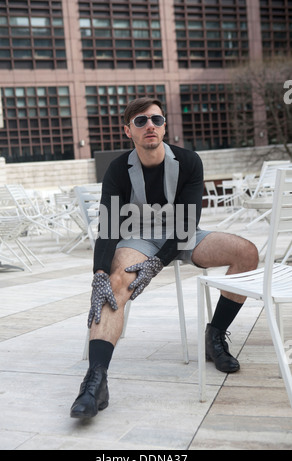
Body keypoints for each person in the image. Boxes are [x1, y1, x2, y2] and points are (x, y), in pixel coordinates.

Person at [70, 97, 259, 419]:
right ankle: (95, 379)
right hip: (138, 237)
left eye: (156, 120)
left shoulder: (188, 161)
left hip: (182, 237)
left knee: (246, 252)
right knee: (114, 285)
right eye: (141, 121)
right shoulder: (119, 169)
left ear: (165, 125)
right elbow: (109, 226)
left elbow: (187, 226)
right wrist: (99, 272)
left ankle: (215, 336)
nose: (150, 126)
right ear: (128, 130)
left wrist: (158, 262)